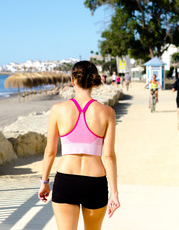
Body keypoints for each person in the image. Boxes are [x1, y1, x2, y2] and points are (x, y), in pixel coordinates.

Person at [38, 61, 120, 230]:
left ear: (73, 80)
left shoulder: (58, 109)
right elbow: (109, 156)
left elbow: (50, 151)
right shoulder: (107, 112)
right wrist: (115, 193)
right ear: (94, 81)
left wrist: (44, 181)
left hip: (66, 179)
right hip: (95, 182)